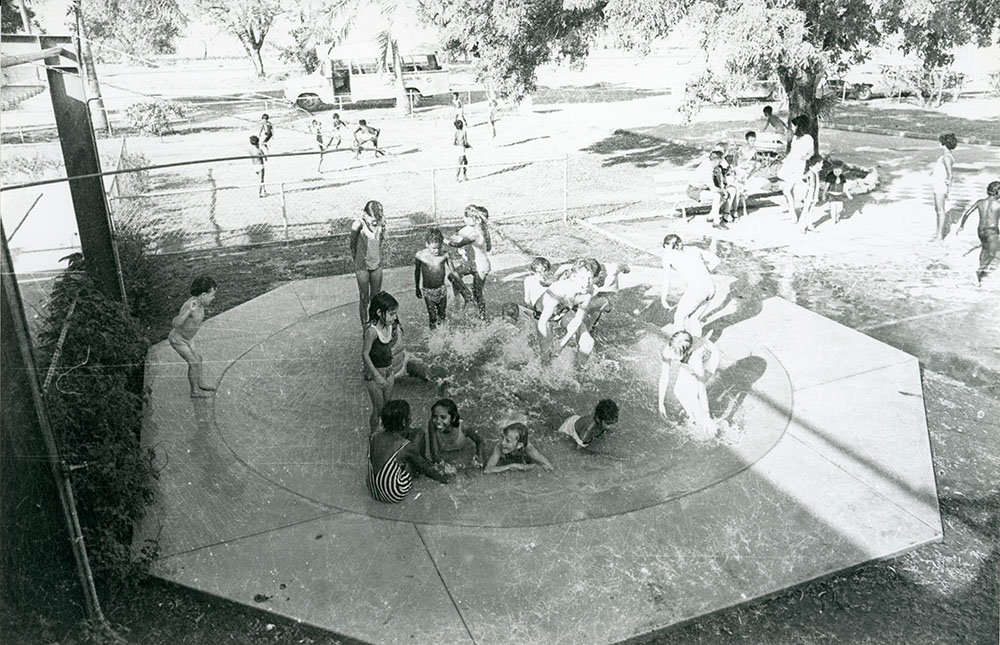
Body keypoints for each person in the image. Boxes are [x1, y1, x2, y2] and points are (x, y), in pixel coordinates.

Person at [367, 400, 452, 504]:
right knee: (419, 435)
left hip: (373, 491)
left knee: (409, 442)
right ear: (404, 421)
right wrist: (444, 478)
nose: (411, 418)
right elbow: (426, 468)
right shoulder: (405, 446)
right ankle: (416, 473)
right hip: (394, 493)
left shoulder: (374, 437)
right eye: (410, 416)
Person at [657, 331, 721, 434]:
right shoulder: (669, 350)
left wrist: (706, 415)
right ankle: (694, 418)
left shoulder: (695, 359)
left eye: (676, 355)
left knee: (692, 394)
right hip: (690, 357)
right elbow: (664, 376)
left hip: (710, 359)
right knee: (678, 391)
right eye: (672, 352)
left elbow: (702, 389)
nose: (673, 357)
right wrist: (661, 404)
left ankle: (707, 428)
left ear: (687, 352)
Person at [661, 234, 721, 337]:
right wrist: (705, 271)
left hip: (697, 291)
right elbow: (716, 260)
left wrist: (663, 298)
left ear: (670, 247)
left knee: (679, 317)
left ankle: (679, 348)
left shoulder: (668, 257)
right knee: (694, 318)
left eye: (666, 248)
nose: (665, 250)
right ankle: (698, 343)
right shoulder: (694, 249)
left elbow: (666, 280)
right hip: (710, 288)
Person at [362, 291, 404, 434]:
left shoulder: (390, 325)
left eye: (395, 313)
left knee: (387, 406)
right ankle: (373, 437)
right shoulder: (372, 331)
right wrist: (377, 376)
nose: (394, 317)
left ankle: (387, 434)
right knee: (378, 410)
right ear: (380, 312)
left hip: (388, 371)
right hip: (374, 375)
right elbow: (365, 354)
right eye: (391, 313)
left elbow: (390, 345)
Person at [169, 276, 218, 398]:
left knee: (198, 359)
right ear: (203, 295)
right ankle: (194, 391)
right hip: (178, 339)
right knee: (193, 362)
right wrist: (188, 312)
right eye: (212, 295)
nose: (214, 298)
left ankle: (200, 383)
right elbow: (175, 323)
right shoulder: (190, 305)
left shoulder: (200, 304)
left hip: (188, 338)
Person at [447, 205, 492, 320]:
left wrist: (444, 239)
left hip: (481, 266)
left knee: (478, 293)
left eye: (467, 217)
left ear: (476, 219)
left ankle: (482, 317)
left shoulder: (475, 234)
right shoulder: (483, 230)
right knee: (453, 275)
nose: (464, 219)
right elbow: (489, 248)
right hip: (474, 263)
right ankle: (467, 297)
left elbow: (457, 244)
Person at [414, 227, 463, 329]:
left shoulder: (445, 255)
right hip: (428, 291)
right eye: (434, 248)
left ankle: (441, 336)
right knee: (432, 316)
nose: (436, 251)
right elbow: (417, 271)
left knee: (442, 315)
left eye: (439, 248)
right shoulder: (420, 255)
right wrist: (417, 288)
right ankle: (432, 338)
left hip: (441, 290)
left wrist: (462, 286)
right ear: (427, 244)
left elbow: (453, 271)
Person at [350, 200, 386, 325]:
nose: (375, 222)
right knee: (364, 298)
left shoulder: (381, 223)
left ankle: (374, 324)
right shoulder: (358, 224)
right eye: (372, 220)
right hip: (362, 267)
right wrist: (357, 260)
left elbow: (380, 241)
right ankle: (365, 327)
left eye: (377, 219)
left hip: (376, 265)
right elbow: (352, 245)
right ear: (366, 215)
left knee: (376, 298)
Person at [957, 180, 1000, 285]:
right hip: (992, 231)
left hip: (980, 231)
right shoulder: (998, 204)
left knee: (984, 249)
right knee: (991, 254)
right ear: (997, 192)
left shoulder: (980, 202)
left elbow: (967, 213)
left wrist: (962, 225)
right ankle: (979, 271)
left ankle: (979, 275)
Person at [426, 398, 487, 466]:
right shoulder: (432, 424)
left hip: (463, 452)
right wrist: (443, 466)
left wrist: (479, 459)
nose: (438, 421)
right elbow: (434, 453)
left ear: (454, 418)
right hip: (446, 454)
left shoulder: (464, 427)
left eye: (443, 417)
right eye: (435, 416)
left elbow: (480, 442)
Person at [777, 115, 815, 222]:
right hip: (790, 164)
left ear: (799, 126)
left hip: (797, 165)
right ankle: (791, 212)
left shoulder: (808, 138)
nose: (792, 128)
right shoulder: (795, 137)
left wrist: (801, 158)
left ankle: (792, 214)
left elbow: (810, 153)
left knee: (787, 190)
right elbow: (792, 151)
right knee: (788, 190)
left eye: (794, 126)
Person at [687, 150, 736, 229]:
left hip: (702, 188)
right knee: (717, 196)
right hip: (694, 191)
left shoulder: (708, 162)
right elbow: (713, 189)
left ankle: (711, 216)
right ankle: (716, 222)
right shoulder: (707, 170)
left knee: (722, 196)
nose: (719, 163)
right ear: (716, 160)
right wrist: (724, 191)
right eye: (719, 161)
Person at [483, 423, 553, 474]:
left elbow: (548, 466)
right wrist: (511, 466)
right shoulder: (499, 446)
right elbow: (487, 470)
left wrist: (526, 467)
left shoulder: (528, 448)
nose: (502, 443)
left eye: (507, 441)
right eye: (502, 438)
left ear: (519, 445)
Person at [931, 133, 958, 242]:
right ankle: (938, 232)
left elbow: (950, 175)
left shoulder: (946, 157)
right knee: (938, 209)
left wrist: (948, 190)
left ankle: (939, 236)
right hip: (939, 184)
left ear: (944, 144)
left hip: (941, 185)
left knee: (940, 210)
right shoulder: (947, 156)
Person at [798, 154, 827, 233]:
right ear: (817, 163)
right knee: (806, 210)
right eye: (821, 163)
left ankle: (810, 225)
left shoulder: (815, 172)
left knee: (811, 210)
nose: (822, 165)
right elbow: (805, 178)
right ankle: (802, 226)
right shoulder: (811, 172)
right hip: (809, 195)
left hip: (814, 194)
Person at [820, 160, 854, 225]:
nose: (837, 173)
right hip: (831, 195)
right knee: (833, 209)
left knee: (840, 209)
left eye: (839, 171)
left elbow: (845, 187)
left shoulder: (843, 177)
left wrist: (849, 195)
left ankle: (837, 215)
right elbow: (826, 186)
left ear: (842, 171)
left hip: (839, 195)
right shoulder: (830, 176)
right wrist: (823, 194)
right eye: (835, 171)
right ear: (833, 170)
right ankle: (833, 220)